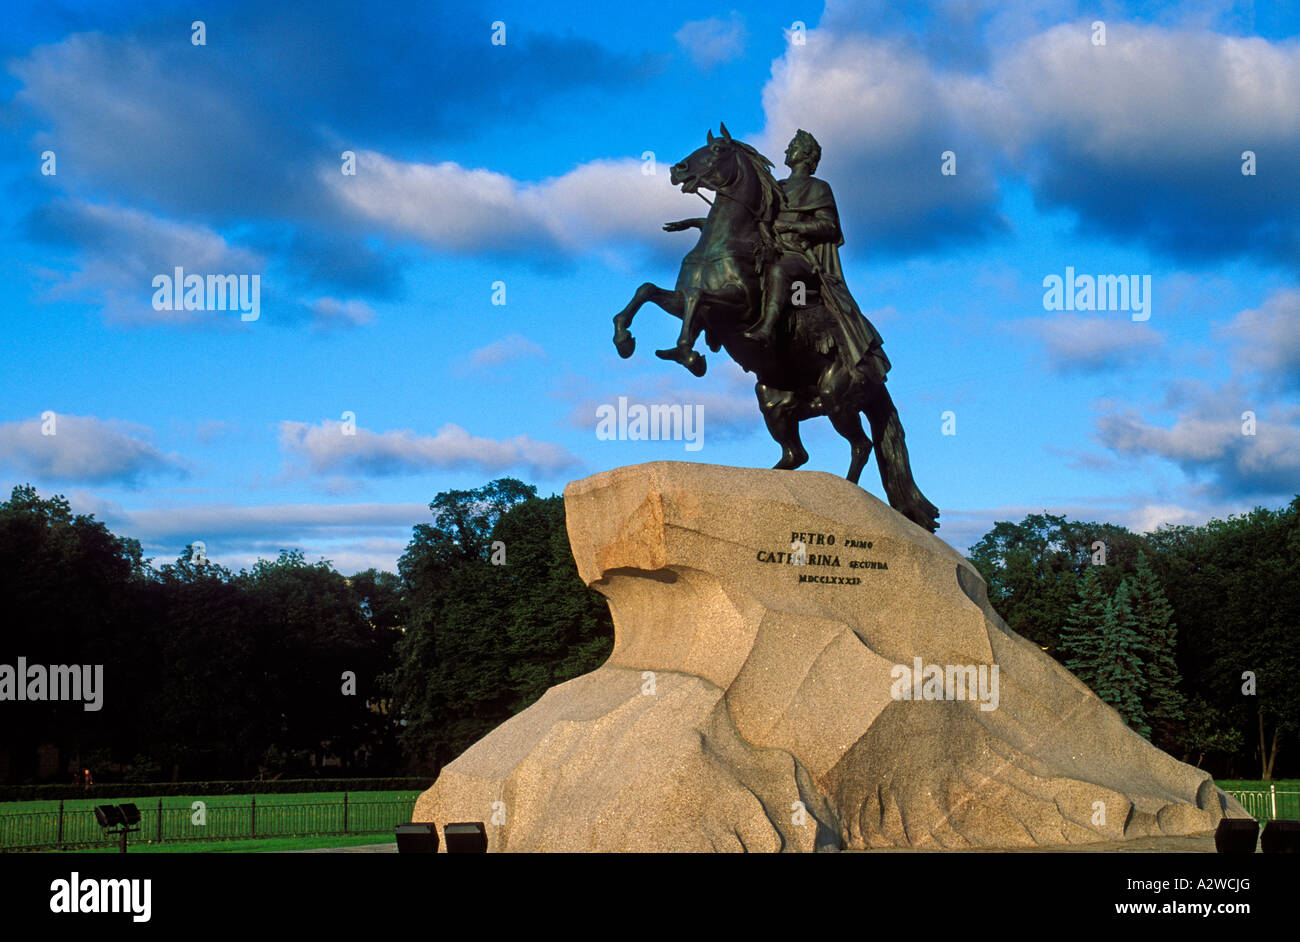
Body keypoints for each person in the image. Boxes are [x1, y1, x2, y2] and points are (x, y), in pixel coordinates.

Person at [746, 129, 890, 385]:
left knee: (780, 271)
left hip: (800, 256)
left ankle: (767, 327)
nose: (786, 151)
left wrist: (792, 227)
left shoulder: (819, 188)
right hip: (772, 250)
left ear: (807, 155)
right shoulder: (776, 187)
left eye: (792, 146)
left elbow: (828, 226)